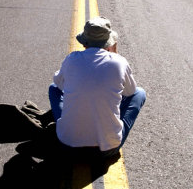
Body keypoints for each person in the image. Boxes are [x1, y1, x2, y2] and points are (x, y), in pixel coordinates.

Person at [48, 16, 146, 157]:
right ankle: (107, 129)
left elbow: (58, 83)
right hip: (106, 150)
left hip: (68, 145)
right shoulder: (119, 62)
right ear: (109, 44)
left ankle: (70, 124)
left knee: (53, 89)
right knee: (139, 93)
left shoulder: (71, 59)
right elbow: (130, 92)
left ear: (84, 43)